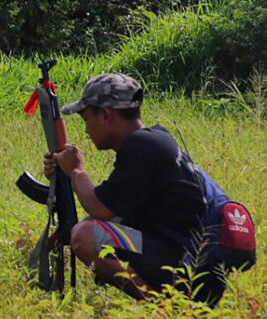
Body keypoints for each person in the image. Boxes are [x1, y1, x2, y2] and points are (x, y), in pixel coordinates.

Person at [43, 73, 226, 305]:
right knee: (90, 228)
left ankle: (159, 306)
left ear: (106, 115)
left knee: (85, 235)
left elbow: (100, 208)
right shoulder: (153, 140)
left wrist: (76, 171)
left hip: (189, 269)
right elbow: (118, 211)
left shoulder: (141, 147)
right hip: (199, 268)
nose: (87, 129)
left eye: (86, 118)